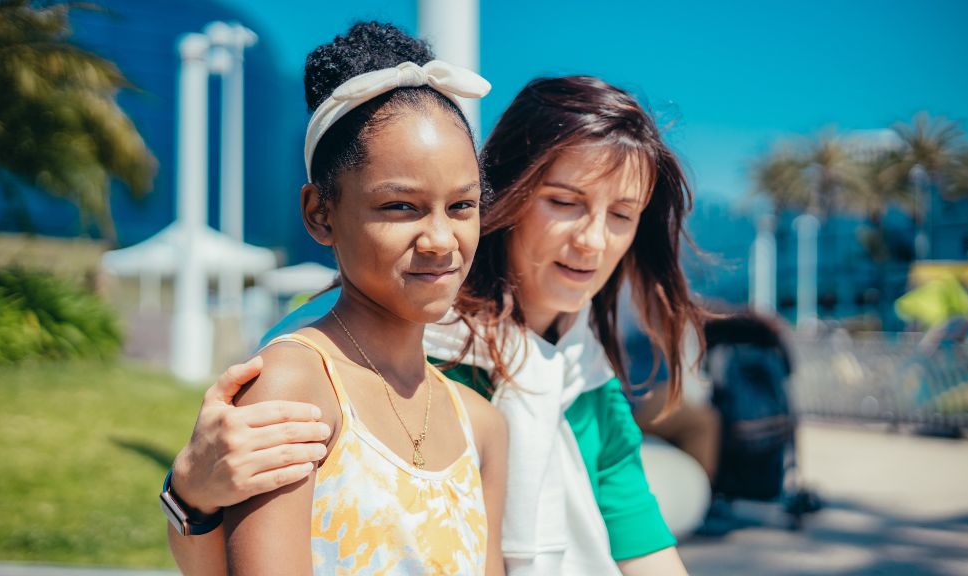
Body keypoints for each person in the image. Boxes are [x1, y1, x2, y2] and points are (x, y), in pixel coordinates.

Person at [166, 68, 706, 574]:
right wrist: (188, 495)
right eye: (564, 202)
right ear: (509, 196)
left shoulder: (578, 371)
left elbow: (644, 545)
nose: (592, 240)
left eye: (621, 215)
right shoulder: (347, 349)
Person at [169, 22, 508, 574]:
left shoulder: (482, 425)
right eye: (401, 206)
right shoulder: (294, 388)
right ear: (319, 213)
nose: (441, 239)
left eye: (462, 207)